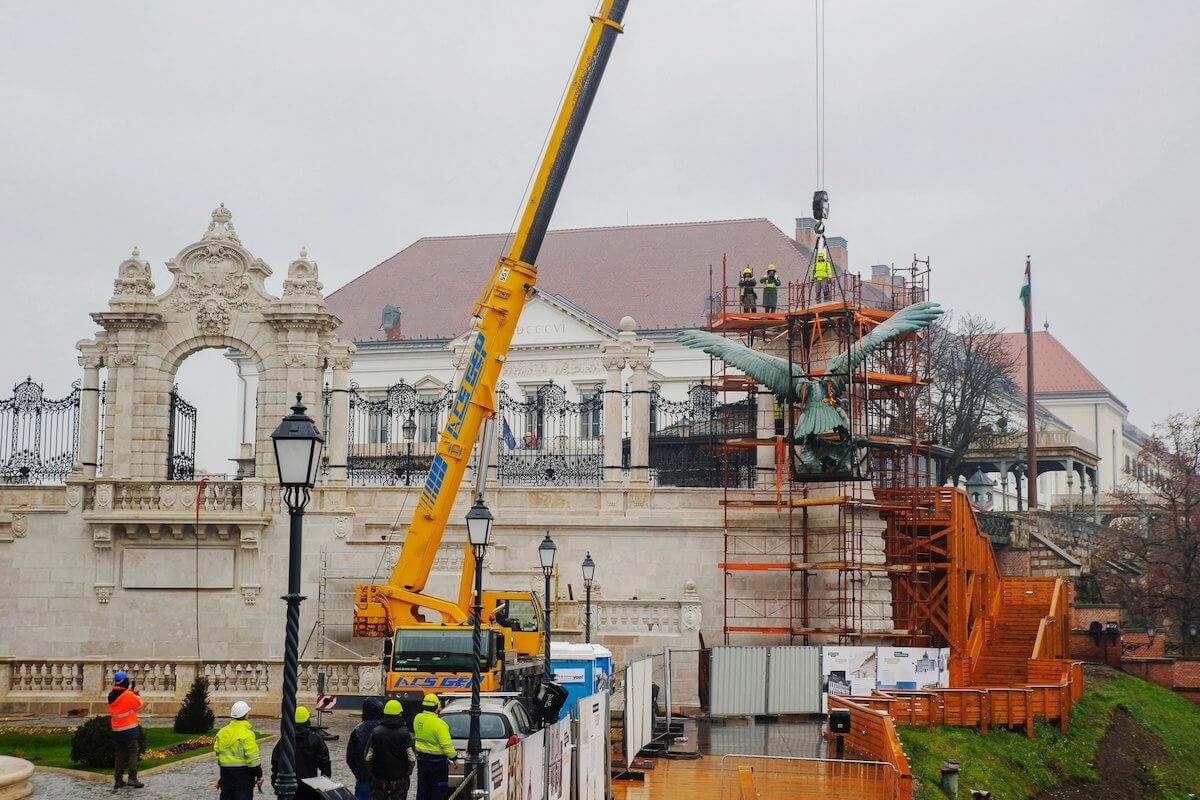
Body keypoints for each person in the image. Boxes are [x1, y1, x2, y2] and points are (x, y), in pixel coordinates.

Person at [271, 706, 331, 800]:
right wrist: (325, 781)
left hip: (288, 785)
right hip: (309, 786)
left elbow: (275, 762)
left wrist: (275, 782)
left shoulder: (285, 740)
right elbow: (324, 762)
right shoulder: (315, 739)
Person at [366, 699, 416, 800]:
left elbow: (367, 757)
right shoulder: (405, 733)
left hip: (379, 779)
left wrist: (373, 773)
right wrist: (406, 774)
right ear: (400, 714)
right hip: (399, 780)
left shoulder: (376, 732)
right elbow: (411, 758)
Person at [413, 694, 459, 800]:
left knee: (423, 789)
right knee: (439, 790)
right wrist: (455, 759)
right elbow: (446, 745)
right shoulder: (440, 724)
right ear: (436, 706)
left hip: (422, 761)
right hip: (438, 764)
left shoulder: (417, 718)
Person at [214, 701, 263, 800]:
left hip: (226, 778)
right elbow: (253, 758)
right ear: (245, 715)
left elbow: (219, 755)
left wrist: (221, 779)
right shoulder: (247, 734)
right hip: (243, 780)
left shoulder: (222, 732)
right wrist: (259, 775)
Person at [107, 670, 144, 792]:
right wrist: (137, 694)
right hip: (129, 728)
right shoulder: (128, 695)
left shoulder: (111, 695)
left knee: (120, 754)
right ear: (125, 682)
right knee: (132, 753)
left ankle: (118, 779)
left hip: (117, 729)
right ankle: (132, 778)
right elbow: (139, 705)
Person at [346, 697, 385, 800]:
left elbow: (350, 757)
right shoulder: (385, 729)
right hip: (382, 780)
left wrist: (359, 774)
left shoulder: (357, 730)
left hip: (363, 778)